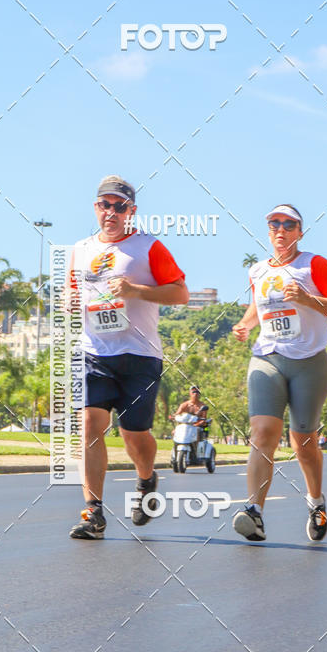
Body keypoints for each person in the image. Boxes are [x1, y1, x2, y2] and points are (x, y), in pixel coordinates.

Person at [68, 175, 188, 539]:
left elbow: (181, 294)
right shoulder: (81, 249)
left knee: (134, 434)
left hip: (139, 355)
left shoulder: (147, 247)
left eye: (120, 206)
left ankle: (147, 479)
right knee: (89, 427)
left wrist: (135, 289)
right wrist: (69, 303)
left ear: (131, 211)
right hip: (94, 353)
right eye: (105, 204)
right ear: (95, 207)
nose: (111, 212)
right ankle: (94, 512)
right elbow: (69, 294)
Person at [231, 204, 327, 541]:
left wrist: (310, 299)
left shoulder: (314, 264)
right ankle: (254, 511)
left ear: (300, 231)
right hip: (267, 357)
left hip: (309, 362)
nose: (281, 230)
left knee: (304, 441)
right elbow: (257, 306)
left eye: (289, 224)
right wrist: (244, 324)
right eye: (274, 224)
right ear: (268, 231)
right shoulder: (257, 271)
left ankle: (316, 501)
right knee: (263, 431)